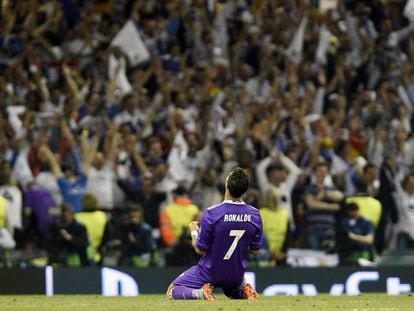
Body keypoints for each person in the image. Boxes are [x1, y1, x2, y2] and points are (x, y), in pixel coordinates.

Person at [166, 167, 263, 300]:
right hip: (236, 274)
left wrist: (194, 231)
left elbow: (200, 250)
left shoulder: (213, 213)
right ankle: (243, 290)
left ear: (226, 185)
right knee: (232, 292)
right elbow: (255, 251)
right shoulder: (255, 214)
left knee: (172, 290)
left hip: (209, 272)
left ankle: (201, 293)